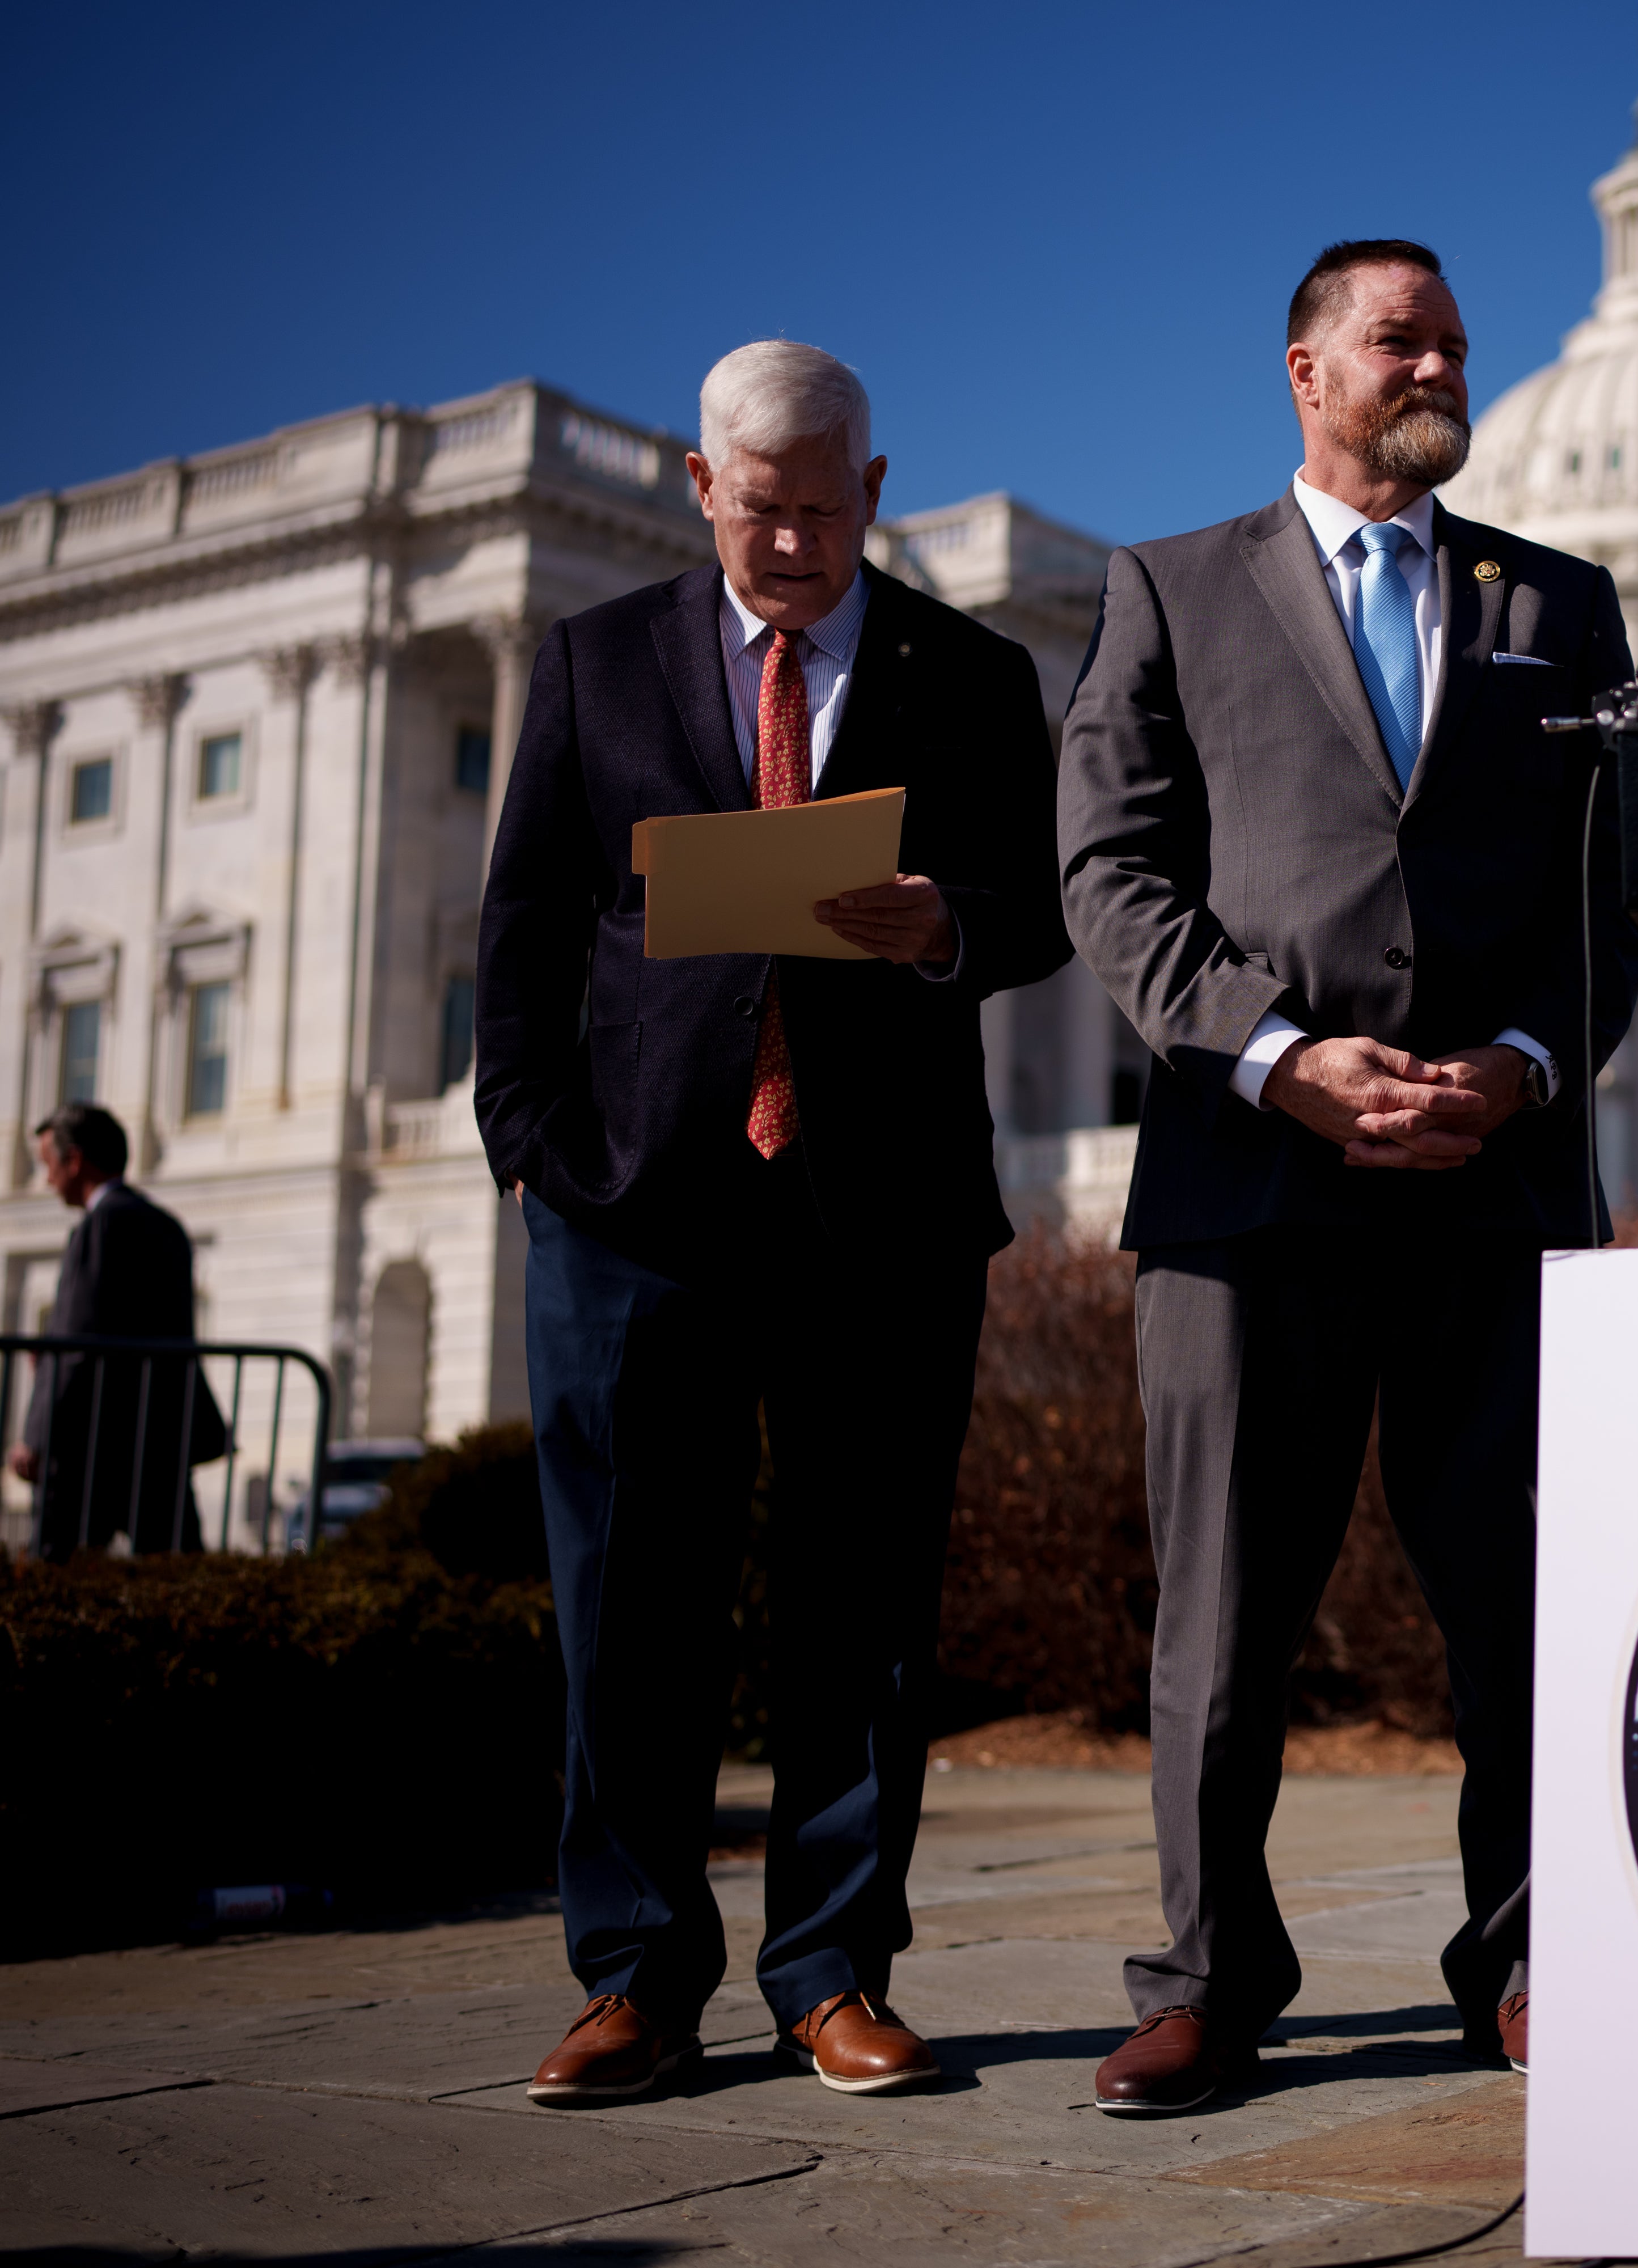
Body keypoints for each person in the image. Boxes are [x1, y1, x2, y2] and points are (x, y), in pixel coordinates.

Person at [1057, 238, 1638, 2112]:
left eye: (1456, 344)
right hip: (1250, 1189)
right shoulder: (1168, 590)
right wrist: (1284, 1059)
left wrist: (1527, 1064)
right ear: (1307, 370)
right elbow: (1113, 875)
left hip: (1496, 1177)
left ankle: (1534, 1957)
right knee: (1225, 1616)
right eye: (1406, 340)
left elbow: (1611, 896)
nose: (1441, 365)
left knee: (1525, 1605)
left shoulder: (1564, 603)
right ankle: (1206, 1981)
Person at [475, 340, 1070, 2105]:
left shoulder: (968, 673)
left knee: (863, 1608)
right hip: (632, 1206)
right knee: (626, 1605)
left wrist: (936, 924)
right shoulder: (595, 662)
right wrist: (531, 1145)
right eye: (763, 509)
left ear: (872, 495)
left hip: (876, 1206)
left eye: (827, 510)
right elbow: (519, 932)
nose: (798, 543)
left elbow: (1041, 915)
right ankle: (634, 1980)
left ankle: (833, 1974)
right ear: (698, 485)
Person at [12, 1102, 223, 1558]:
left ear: (76, 1161)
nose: (47, 1179)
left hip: (93, 1446)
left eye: (49, 1165)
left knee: (56, 1572)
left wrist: (37, 1435)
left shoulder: (99, 1226)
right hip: (159, 1436)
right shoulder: (168, 1227)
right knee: (175, 1572)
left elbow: (75, 1339)